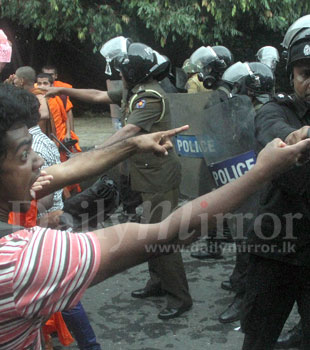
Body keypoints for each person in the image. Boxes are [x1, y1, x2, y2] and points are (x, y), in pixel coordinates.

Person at [1, 83, 310, 350]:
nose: (40, 162)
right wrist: (262, 171)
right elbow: (170, 231)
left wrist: (134, 145)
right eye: (25, 155)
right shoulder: (23, 262)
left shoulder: (15, 195)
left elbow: (65, 170)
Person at [45, 38, 193, 320]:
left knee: (162, 236)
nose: (118, 76)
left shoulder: (149, 96)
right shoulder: (134, 90)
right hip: (147, 174)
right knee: (152, 231)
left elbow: (130, 130)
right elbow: (99, 96)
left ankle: (179, 297)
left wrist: (94, 153)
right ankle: (158, 282)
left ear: (132, 73)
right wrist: (63, 91)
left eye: (121, 71)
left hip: (159, 175)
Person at [240, 15, 310, 350]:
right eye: (305, 74)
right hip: (276, 249)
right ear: (292, 76)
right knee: (258, 339)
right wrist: (294, 140)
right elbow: (273, 136)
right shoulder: (275, 110)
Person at [215, 61, 275, 324]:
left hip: (264, 191)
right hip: (251, 187)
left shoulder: (265, 114)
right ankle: (244, 288)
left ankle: (245, 299)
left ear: (250, 90)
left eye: (237, 88)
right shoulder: (252, 110)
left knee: (249, 245)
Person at [42, 64, 75, 132]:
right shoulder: (37, 87)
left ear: (56, 76)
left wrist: (71, 131)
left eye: (51, 75)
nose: (48, 77)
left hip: (60, 122)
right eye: (46, 74)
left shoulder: (62, 88)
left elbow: (68, 110)